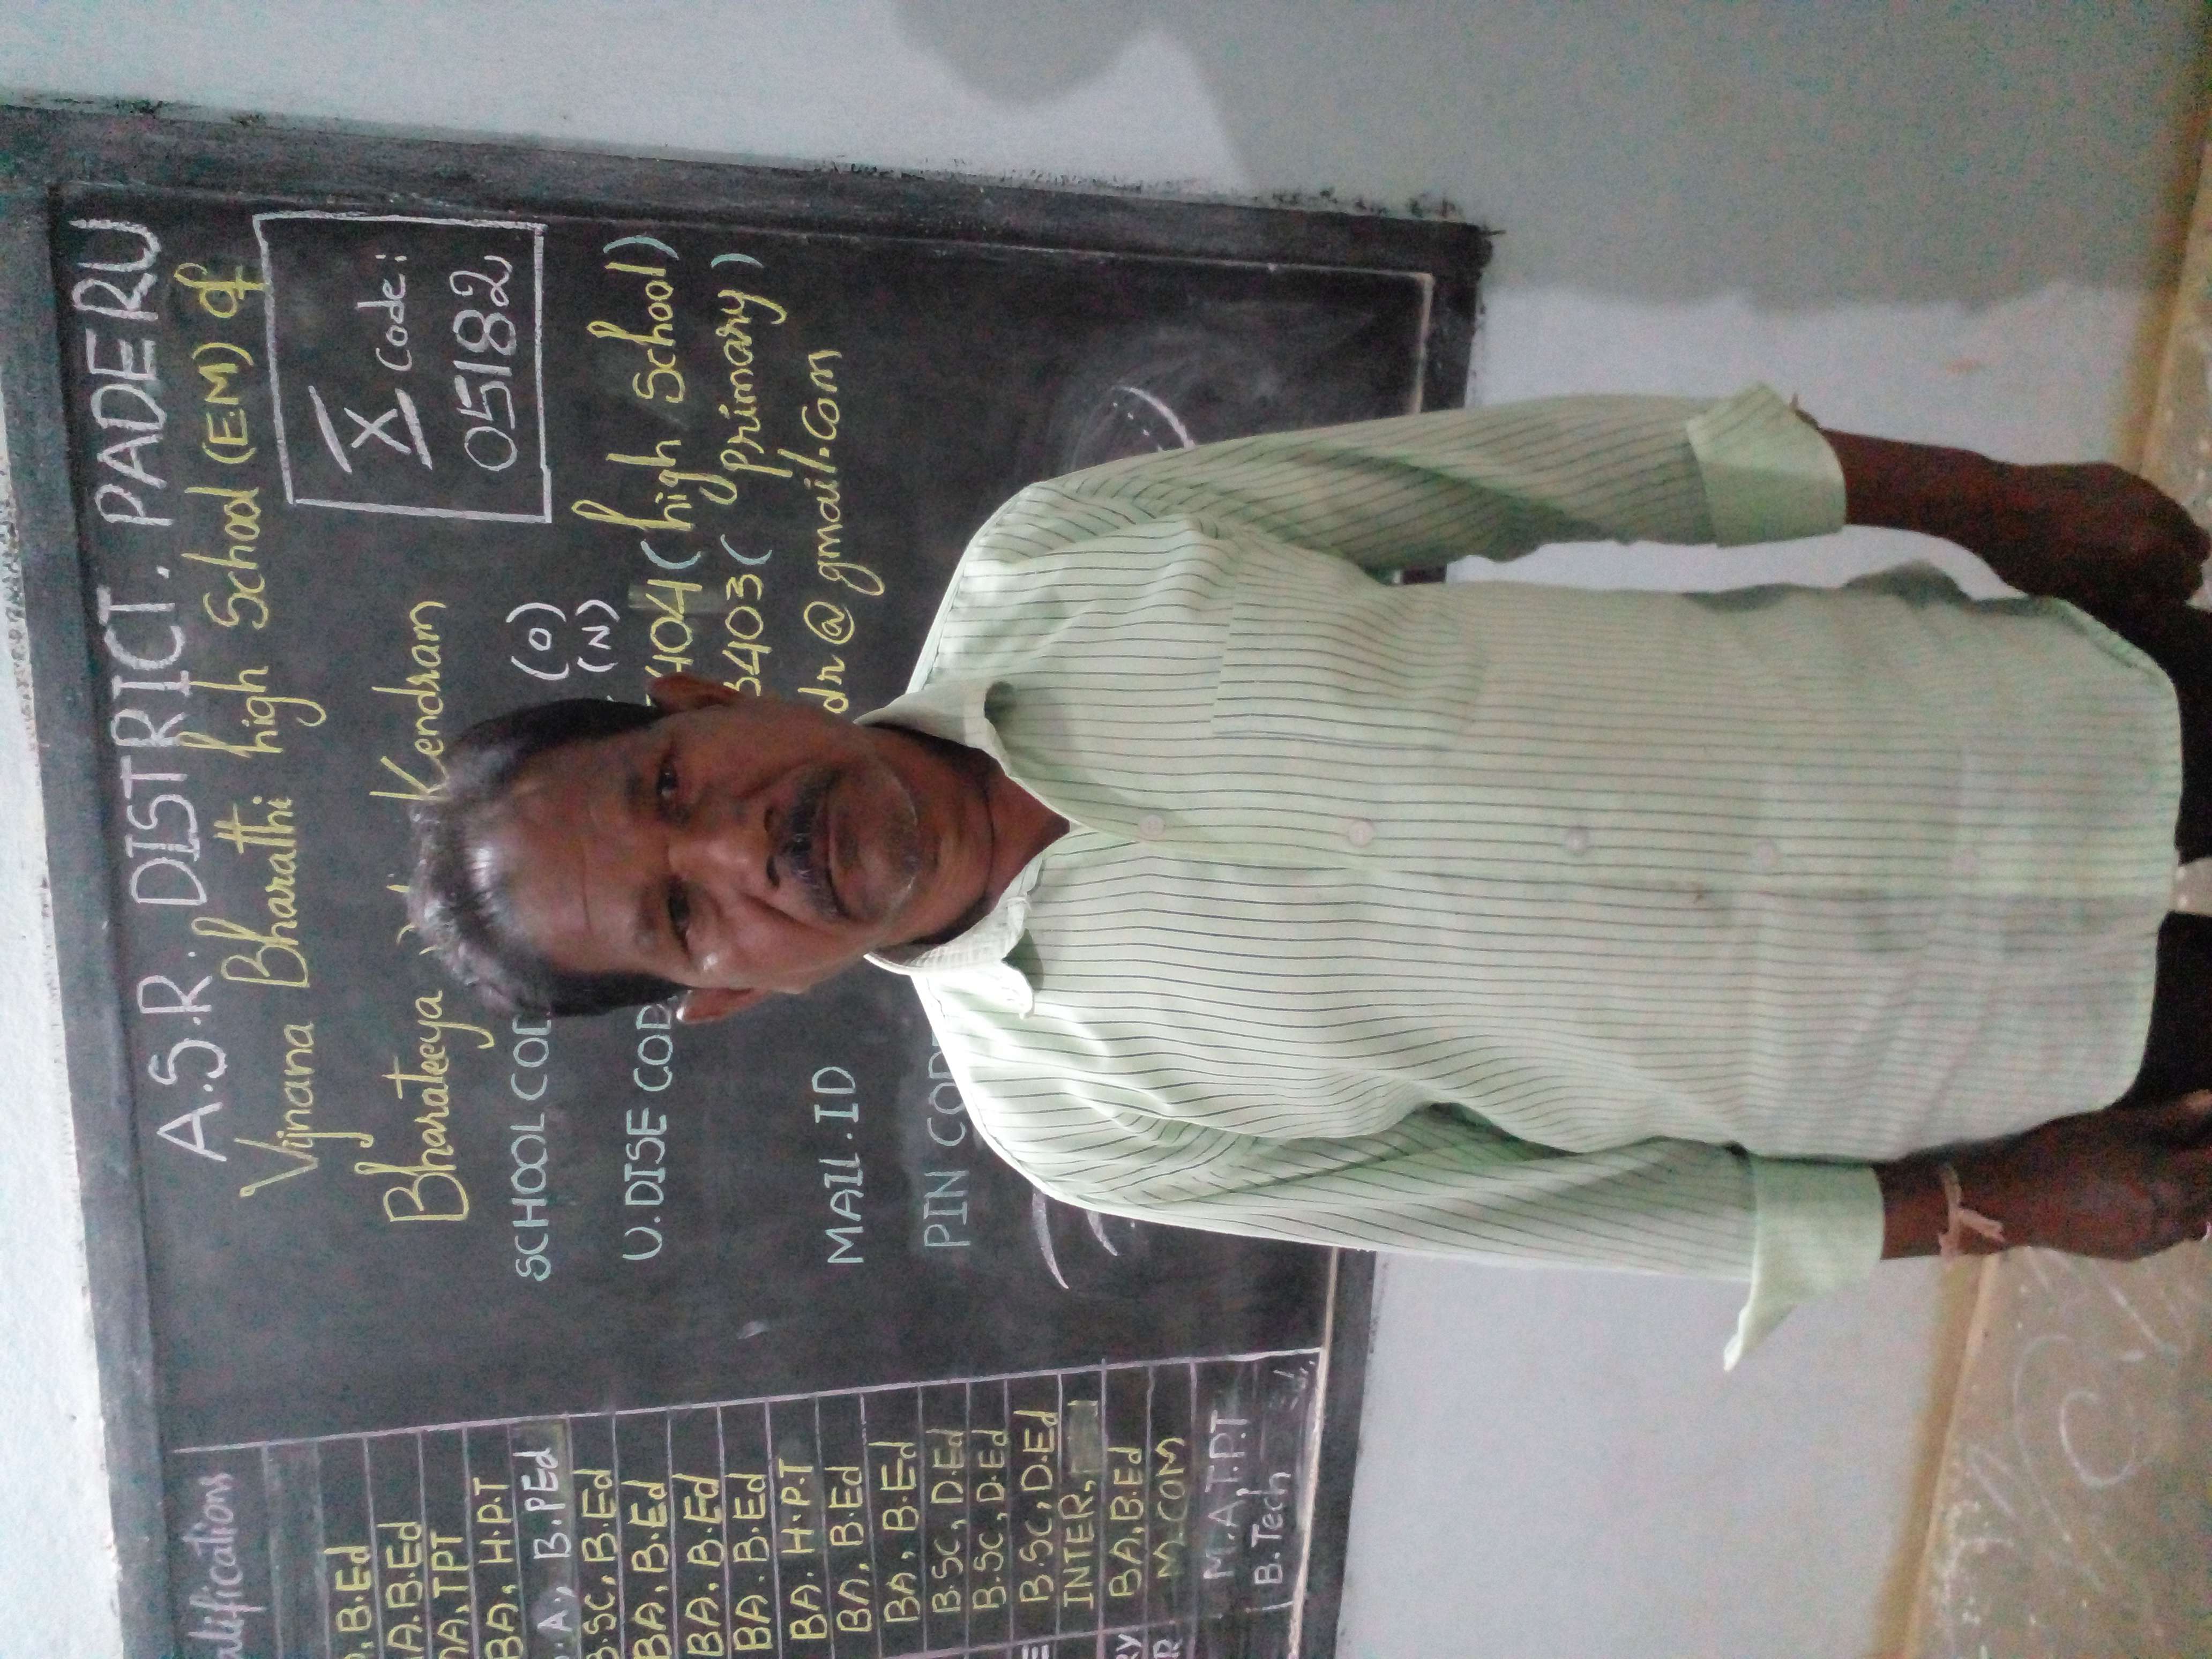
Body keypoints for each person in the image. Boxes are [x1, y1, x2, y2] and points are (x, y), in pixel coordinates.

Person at [413, 386, 2212, 1363]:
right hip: (1970, 1052)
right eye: (682, 911)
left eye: (672, 785)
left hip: (2012, 722)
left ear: (707, 698)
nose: (741, 843)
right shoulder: (1078, 1121)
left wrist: (1993, 499)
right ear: (726, 993)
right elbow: (1554, 1211)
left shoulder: (1067, 556)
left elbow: (1557, 474)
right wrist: (1992, 1207)